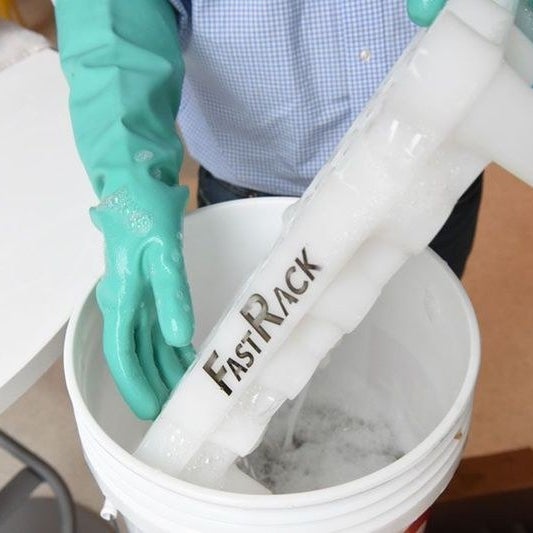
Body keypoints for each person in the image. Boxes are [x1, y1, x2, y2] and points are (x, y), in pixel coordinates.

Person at [54, 0, 480, 420]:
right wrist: (129, 165)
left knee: (403, 351)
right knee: (254, 388)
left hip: (432, 173)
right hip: (251, 194)